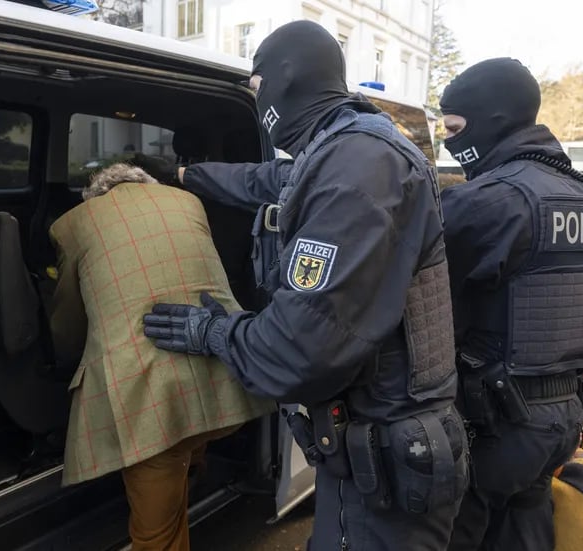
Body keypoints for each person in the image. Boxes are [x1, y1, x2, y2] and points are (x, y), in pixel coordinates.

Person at [139, 21, 468, 551]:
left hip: (387, 455)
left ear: (284, 78)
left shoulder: (358, 167)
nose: (257, 98)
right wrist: (183, 176)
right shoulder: (341, 149)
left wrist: (214, 333)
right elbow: (263, 182)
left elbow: (296, 350)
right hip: (374, 448)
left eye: (256, 85)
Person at [437, 58, 583, 551]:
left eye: (455, 128)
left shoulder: (486, 202)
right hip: (563, 417)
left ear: (491, 120)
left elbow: (426, 321)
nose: (448, 142)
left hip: (492, 424)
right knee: (525, 535)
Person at [48, 163, 274, 551]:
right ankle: (191, 471)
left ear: (97, 198)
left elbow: (69, 324)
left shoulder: (75, 225)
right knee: (184, 451)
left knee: (156, 536)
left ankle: (178, 485)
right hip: (227, 382)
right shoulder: (189, 204)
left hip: (152, 402)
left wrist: (63, 360)